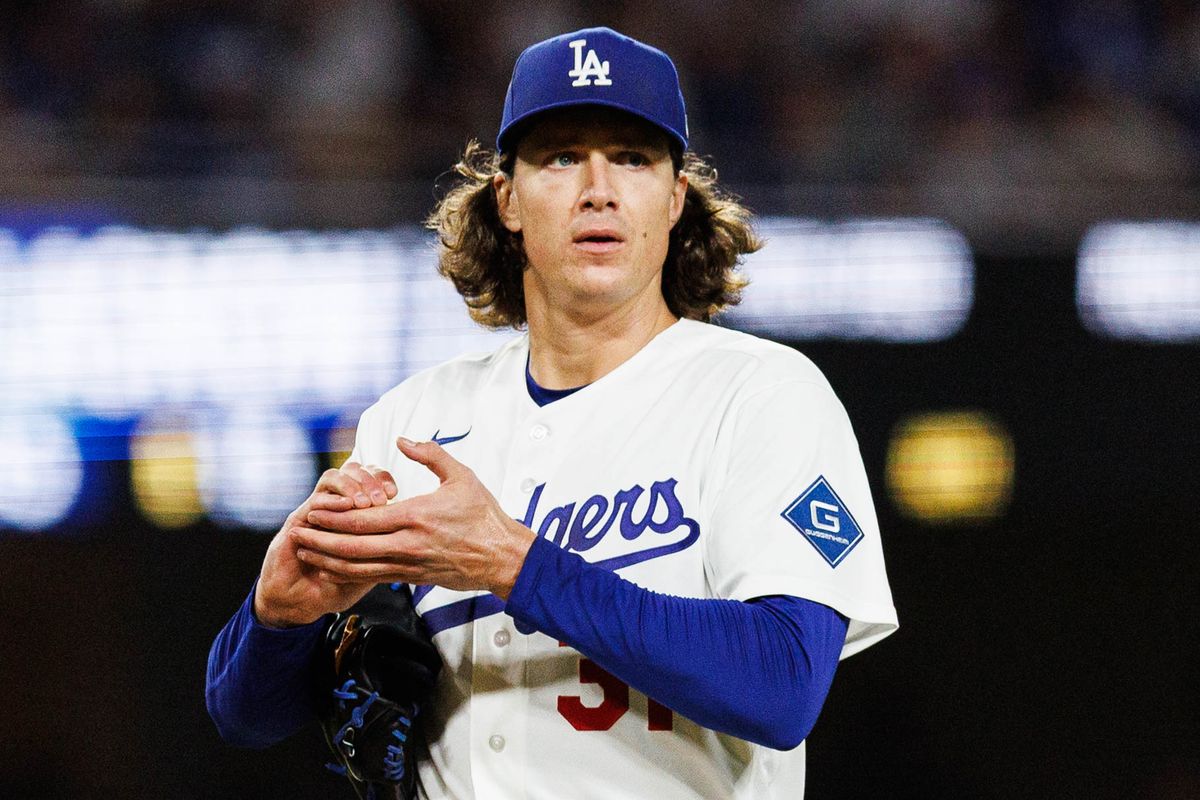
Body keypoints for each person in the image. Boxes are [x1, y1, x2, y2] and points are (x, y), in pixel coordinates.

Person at [206, 26, 898, 799]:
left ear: (675, 199)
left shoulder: (762, 395)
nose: (598, 189)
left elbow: (784, 684)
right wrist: (279, 620)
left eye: (631, 158)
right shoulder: (413, 419)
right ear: (506, 198)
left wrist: (513, 562)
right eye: (562, 157)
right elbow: (245, 717)